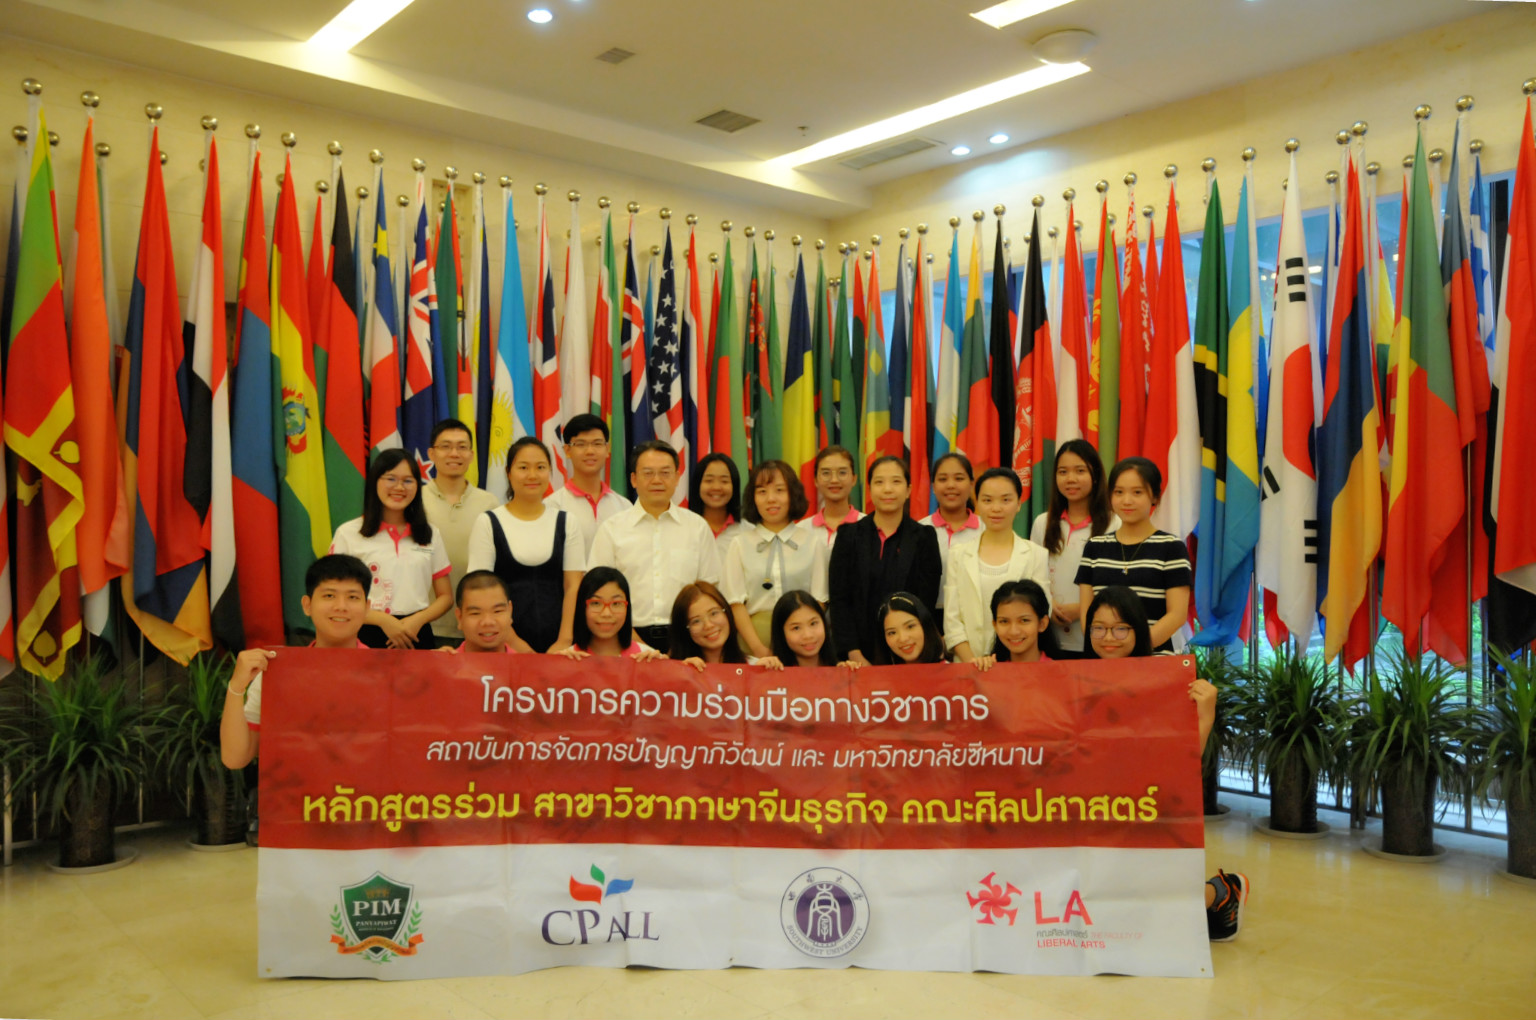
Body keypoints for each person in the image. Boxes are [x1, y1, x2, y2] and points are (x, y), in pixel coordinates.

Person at [1081, 585, 1242, 942]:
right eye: (1098, 628)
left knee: (1152, 894)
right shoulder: (1073, 680)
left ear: (1138, 630)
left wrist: (1205, 714)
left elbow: (1183, 761)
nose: (1108, 637)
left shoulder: (1164, 681)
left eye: (1120, 628)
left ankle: (1221, 892)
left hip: (1148, 804)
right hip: (1091, 806)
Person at [220, 554, 371, 770]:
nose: (341, 606)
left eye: (353, 597)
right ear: (307, 605)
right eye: (329, 595)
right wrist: (236, 687)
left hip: (369, 792)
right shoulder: (276, 673)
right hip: (300, 791)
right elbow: (235, 759)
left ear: (367, 607)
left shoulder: (390, 673)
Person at [589, 441, 720, 654]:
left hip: (688, 639)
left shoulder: (697, 527)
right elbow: (598, 593)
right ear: (634, 479)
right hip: (625, 638)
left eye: (665, 473)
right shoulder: (612, 529)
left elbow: (708, 590)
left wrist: (681, 645)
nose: (657, 480)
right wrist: (634, 643)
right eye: (648, 473)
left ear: (677, 478)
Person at [467, 437, 584, 653]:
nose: (532, 475)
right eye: (523, 467)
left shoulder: (567, 522)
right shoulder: (488, 522)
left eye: (540, 467)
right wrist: (514, 643)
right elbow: (480, 591)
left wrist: (564, 641)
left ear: (550, 472)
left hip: (560, 646)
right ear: (508, 473)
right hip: (501, 644)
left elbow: (573, 586)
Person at [329, 449, 452, 649]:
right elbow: (335, 595)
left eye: (408, 481)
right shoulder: (349, 533)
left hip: (416, 633)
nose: (399, 487)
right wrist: (383, 620)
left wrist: (417, 620)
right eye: (391, 479)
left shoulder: (430, 534)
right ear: (375, 482)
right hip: (364, 630)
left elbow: (445, 597)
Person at [828, 456, 941, 666]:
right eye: (879, 482)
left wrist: (910, 655)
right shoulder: (848, 536)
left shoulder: (925, 537)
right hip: (857, 657)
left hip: (909, 653)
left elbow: (926, 601)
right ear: (869, 489)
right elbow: (839, 600)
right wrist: (854, 654)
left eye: (896, 481)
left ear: (908, 490)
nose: (887, 489)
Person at [1075, 457, 1192, 654]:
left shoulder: (1172, 548)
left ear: (1155, 497)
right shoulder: (1094, 547)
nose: (1126, 500)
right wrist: (1107, 648)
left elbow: (1177, 615)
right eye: (1119, 492)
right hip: (1104, 658)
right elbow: (1087, 614)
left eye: (1137, 492)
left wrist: (1134, 650)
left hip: (1154, 658)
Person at [944, 467, 1051, 663]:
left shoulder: (1036, 555)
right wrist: (974, 663)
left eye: (1005, 500)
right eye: (987, 500)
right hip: (968, 665)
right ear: (977, 503)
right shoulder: (958, 554)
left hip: (1018, 664)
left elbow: (1042, 612)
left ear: (1019, 503)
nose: (996, 508)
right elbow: (952, 620)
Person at [722, 459, 827, 658]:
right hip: (753, 645)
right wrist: (759, 650)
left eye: (779, 490)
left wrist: (804, 639)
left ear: (792, 494)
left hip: (805, 644)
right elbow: (735, 603)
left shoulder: (813, 543)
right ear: (753, 498)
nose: (771, 499)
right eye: (762, 492)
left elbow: (820, 600)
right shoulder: (739, 544)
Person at [1029, 440, 1119, 657]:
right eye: (1063, 472)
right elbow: (1033, 574)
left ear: (1095, 475)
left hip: (1097, 636)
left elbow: (1117, 581)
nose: (1070, 479)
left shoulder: (1114, 523)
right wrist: (1048, 605)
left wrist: (1082, 608)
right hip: (1050, 636)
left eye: (1080, 471)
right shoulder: (1042, 523)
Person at [422, 418, 502, 643]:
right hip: (424, 622)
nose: (454, 453)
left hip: (478, 626)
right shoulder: (414, 501)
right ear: (431, 453)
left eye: (462, 447)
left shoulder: (489, 503)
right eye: (445, 446)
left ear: (471, 455)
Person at [546, 412, 632, 557]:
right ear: (567, 450)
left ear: (607, 449)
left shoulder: (624, 506)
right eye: (581, 444)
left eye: (597, 444)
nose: (590, 451)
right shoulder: (552, 506)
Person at [557, 566, 663, 660]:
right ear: (582, 607)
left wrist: (660, 666)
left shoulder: (645, 657)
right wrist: (558, 666)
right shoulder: (568, 658)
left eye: (616, 604)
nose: (606, 613)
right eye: (596, 603)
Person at [670, 580, 780, 670]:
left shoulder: (754, 666)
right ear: (684, 629)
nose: (708, 625)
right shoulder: (677, 670)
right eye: (696, 621)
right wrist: (682, 673)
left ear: (727, 612)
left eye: (714, 613)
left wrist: (763, 675)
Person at [921, 452, 981, 608]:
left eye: (959, 478)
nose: (951, 485)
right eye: (943, 479)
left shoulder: (986, 530)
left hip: (975, 612)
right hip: (929, 614)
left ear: (972, 484)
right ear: (933, 486)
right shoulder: (920, 530)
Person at [971, 579, 1055, 670]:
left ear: (1042, 624)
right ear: (995, 625)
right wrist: (979, 671)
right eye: (1004, 621)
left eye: (1024, 620)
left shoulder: (1058, 671)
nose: (1014, 631)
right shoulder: (992, 669)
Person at [769, 590, 861, 670]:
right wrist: (761, 671)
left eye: (813, 623)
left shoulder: (839, 669)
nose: (808, 635)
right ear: (781, 633)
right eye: (796, 628)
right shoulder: (774, 673)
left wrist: (849, 674)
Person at [690, 452, 752, 558]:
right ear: (697, 484)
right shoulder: (684, 529)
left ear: (734, 486)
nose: (716, 487)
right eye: (709, 481)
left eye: (724, 481)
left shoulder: (749, 532)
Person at [802, 445, 863, 547]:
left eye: (842, 472)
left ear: (854, 479)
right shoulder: (801, 530)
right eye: (826, 473)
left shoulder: (871, 528)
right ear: (816, 480)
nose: (834, 480)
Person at [446, 570, 519, 654]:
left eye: (497, 611)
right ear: (459, 617)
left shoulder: (522, 662)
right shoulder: (444, 661)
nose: (488, 622)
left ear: (510, 612)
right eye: (475, 613)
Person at [875, 592, 947, 665]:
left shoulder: (950, 670)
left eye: (910, 626)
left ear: (925, 626)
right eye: (892, 633)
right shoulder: (880, 671)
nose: (903, 639)